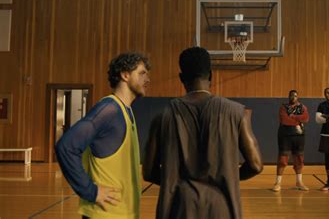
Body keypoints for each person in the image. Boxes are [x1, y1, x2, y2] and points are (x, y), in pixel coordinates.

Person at [143, 46, 263, 219]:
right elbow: (256, 165)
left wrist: (175, 180)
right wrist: (227, 176)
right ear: (211, 75)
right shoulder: (238, 113)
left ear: (181, 78)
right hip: (221, 206)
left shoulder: (162, 117)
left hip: (180, 207)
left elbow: (148, 172)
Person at [55, 53, 151, 218]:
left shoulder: (126, 110)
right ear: (125, 75)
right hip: (105, 214)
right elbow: (66, 146)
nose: (147, 79)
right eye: (142, 73)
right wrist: (90, 191)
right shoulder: (109, 110)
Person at [272, 90, 310, 192]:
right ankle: (278, 183)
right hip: (285, 136)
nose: (293, 97)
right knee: (282, 160)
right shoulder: (283, 107)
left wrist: (293, 116)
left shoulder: (302, 107)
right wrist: (298, 121)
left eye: (295, 96)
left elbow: (306, 118)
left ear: (298, 97)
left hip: (299, 136)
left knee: (299, 159)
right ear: (288, 97)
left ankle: (299, 182)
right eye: (292, 96)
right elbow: (284, 120)